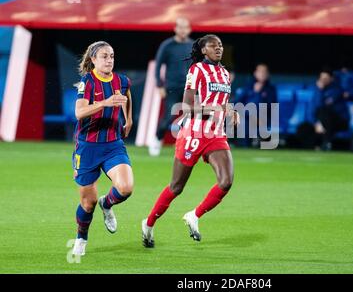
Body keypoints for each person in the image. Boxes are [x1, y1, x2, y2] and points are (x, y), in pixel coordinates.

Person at [141, 34, 240, 247]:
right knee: (176, 187)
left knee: (226, 181)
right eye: (213, 46)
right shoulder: (196, 70)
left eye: (221, 45)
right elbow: (186, 107)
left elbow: (222, 102)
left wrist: (231, 111)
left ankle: (194, 215)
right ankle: (148, 224)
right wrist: (210, 108)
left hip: (215, 135)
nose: (218, 48)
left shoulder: (224, 73)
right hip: (193, 135)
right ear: (203, 50)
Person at [72, 41, 134, 256]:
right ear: (93, 60)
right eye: (104, 56)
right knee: (87, 204)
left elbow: (126, 96)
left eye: (112, 56)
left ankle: (106, 204)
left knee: (126, 188)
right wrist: (104, 103)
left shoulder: (121, 80)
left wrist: (129, 119)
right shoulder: (87, 81)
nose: (109, 60)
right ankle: (81, 237)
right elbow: (79, 113)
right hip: (87, 147)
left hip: (113, 144)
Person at [149, 17, 194, 156]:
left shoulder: (193, 45)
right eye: (180, 27)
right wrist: (159, 85)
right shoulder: (167, 45)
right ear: (175, 29)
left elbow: (198, 67)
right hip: (172, 87)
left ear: (189, 29)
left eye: (185, 27)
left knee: (192, 117)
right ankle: (157, 139)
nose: (183, 30)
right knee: (169, 116)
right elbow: (158, 66)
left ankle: (189, 146)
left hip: (189, 88)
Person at [232, 63, 277, 147]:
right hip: (246, 117)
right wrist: (255, 93)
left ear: (268, 74)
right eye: (260, 71)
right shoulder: (248, 87)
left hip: (263, 118)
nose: (262, 74)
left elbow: (272, 106)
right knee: (244, 121)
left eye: (264, 72)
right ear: (255, 73)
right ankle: (243, 146)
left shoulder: (271, 89)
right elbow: (237, 103)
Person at [311, 69, 349, 151]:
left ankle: (326, 143)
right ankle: (318, 144)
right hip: (325, 121)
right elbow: (316, 106)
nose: (323, 81)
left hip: (340, 121)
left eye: (325, 79)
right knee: (306, 125)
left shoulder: (337, 89)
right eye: (321, 79)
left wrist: (319, 122)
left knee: (326, 114)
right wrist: (317, 122)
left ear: (331, 79)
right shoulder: (318, 90)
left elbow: (323, 105)